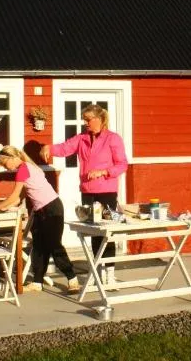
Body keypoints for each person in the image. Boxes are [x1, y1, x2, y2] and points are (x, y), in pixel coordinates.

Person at [40, 104, 128, 286]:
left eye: (88, 119)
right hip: (87, 192)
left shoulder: (113, 139)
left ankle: (109, 273)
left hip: (106, 191)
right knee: (94, 233)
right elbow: (64, 148)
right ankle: (97, 272)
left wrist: (103, 172)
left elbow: (122, 165)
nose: (85, 123)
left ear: (100, 119)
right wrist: (48, 147)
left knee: (107, 232)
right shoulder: (82, 139)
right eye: (84, 120)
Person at [0, 145, 79, 294]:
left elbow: (15, 196)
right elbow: (20, 197)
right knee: (39, 245)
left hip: (51, 208)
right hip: (41, 210)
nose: (4, 167)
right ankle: (37, 282)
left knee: (54, 245)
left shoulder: (23, 169)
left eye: (4, 163)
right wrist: (6, 206)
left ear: (12, 158)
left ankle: (72, 279)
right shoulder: (29, 166)